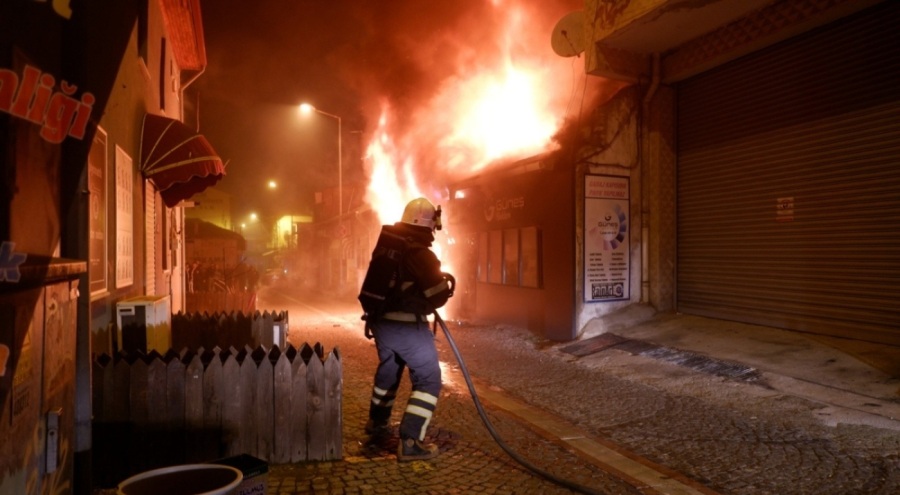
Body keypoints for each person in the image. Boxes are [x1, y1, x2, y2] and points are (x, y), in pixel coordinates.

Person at [363, 197, 454, 462]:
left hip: (381, 323)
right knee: (428, 377)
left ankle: (377, 423)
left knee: (389, 371)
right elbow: (437, 295)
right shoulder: (421, 254)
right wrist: (445, 284)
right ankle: (411, 441)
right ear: (428, 224)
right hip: (406, 327)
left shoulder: (390, 248)